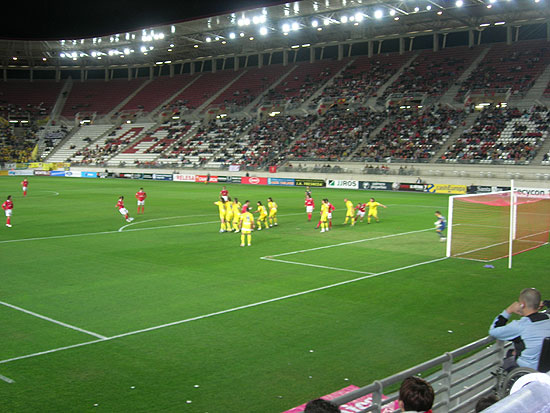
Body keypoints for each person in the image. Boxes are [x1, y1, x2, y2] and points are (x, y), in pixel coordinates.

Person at [489, 287, 550, 371]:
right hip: (546, 369)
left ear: (522, 304)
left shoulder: (520, 326)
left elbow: (493, 331)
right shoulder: (548, 318)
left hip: (528, 371)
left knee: (509, 358)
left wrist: (508, 310)